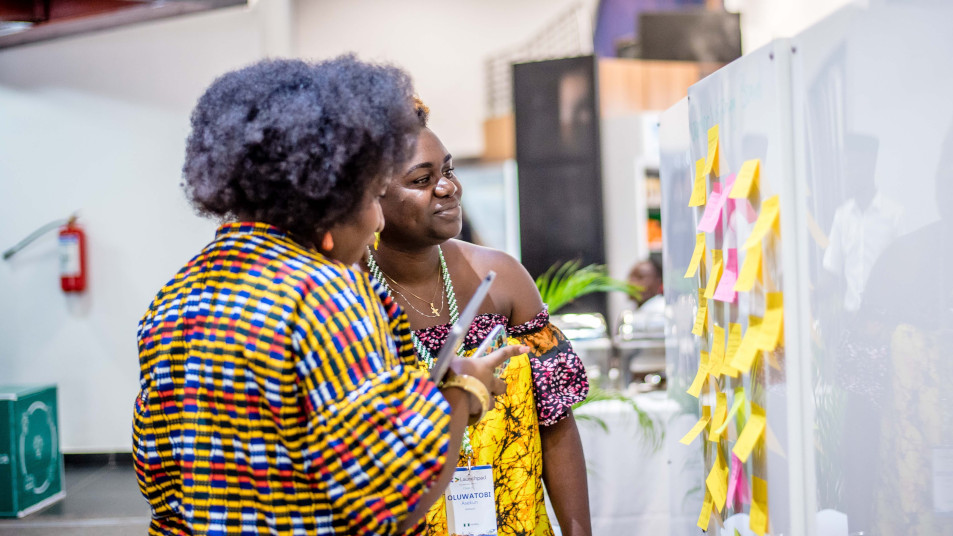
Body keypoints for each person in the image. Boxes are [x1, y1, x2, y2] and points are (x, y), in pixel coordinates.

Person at [133, 57, 525, 536]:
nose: (377, 220)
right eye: (371, 196)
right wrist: (463, 394)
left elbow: (159, 486)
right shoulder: (325, 297)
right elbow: (390, 506)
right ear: (328, 196)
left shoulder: (172, 302)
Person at [364, 99, 592, 536]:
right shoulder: (344, 299)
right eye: (422, 180)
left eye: (448, 171)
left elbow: (556, 425)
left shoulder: (502, 278)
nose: (447, 188)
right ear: (369, 200)